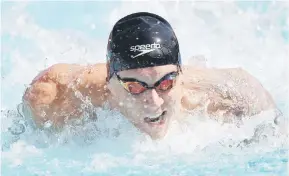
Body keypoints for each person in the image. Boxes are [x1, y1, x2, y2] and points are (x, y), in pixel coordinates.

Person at [21, 12, 279, 139]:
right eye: (135, 87)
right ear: (110, 81)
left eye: (165, 83)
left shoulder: (226, 94)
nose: (153, 101)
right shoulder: (57, 99)